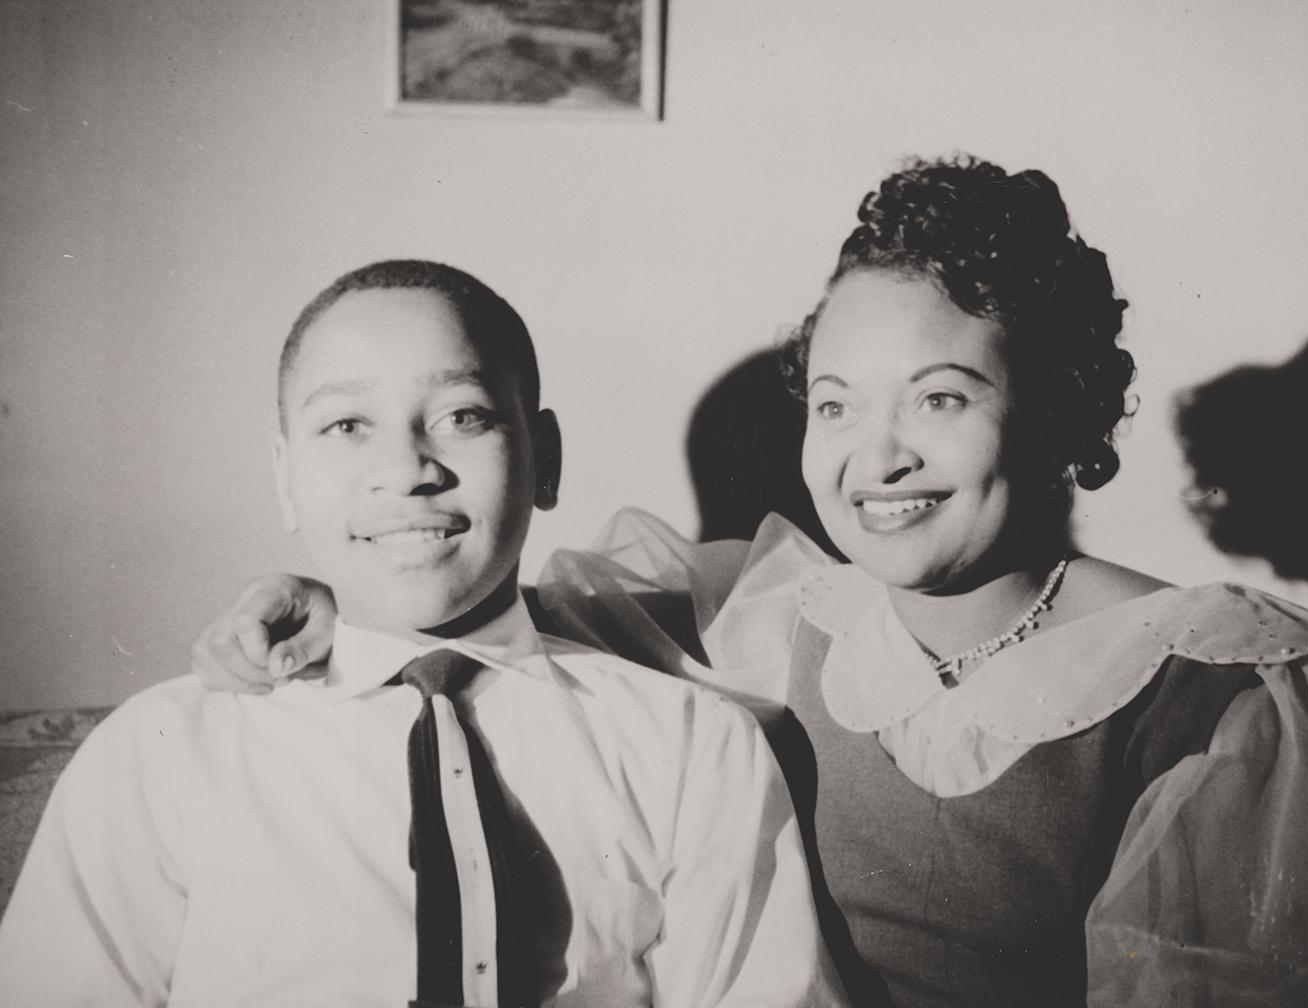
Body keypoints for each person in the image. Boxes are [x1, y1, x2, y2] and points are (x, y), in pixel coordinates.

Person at [192, 163, 1308, 1007]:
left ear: (1054, 410)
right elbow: (492, 608)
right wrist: (317, 588)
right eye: (835, 404)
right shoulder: (785, 613)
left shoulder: (1194, 683)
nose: (874, 455)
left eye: (940, 399)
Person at [0, 260, 844, 1008]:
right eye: (346, 426)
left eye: (462, 416)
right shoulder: (159, 756)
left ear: (544, 459)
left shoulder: (694, 747)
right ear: (286, 479)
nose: (407, 469)